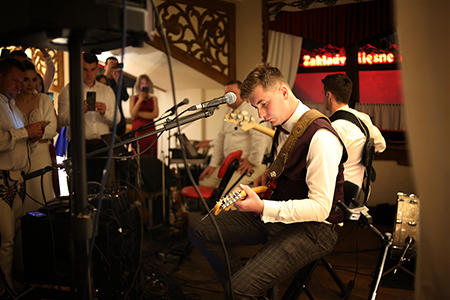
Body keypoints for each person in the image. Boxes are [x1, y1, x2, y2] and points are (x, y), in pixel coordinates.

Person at [188, 63, 347, 299]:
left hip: (313, 228)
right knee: (200, 229)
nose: (260, 115)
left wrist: (261, 206)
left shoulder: (321, 137)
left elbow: (320, 208)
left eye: (263, 104)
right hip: (278, 214)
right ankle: (249, 287)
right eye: (256, 107)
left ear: (284, 92)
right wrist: (269, 178)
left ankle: (243, 288)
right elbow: (287, 170)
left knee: (238, 289)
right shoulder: (283, 127)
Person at [0, 58, 46, 297]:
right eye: (15, 80)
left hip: (17, 179)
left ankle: (10, 282)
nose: (19, 85)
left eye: (22, 81)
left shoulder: (14, 108)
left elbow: (18, 145)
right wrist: (23, 132)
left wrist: (31, 140)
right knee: (5, 239)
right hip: (1, 180)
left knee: (16, 236)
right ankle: (2, 289)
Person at [198, 80, 271, 198]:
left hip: (249, 164)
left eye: (232, 93)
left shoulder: (252, 110)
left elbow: (260, 137)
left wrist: (252, 160)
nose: (228, 97)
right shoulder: (228, 113)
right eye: (226, 93)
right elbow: (220, 140)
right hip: (230, 164)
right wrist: (213, 165)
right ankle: (211, 213)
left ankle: (225, 215)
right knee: (204, 181)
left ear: (243, 95)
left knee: (227, 195)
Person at [58, 53, 118, 183]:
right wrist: (77, 112)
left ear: (97, 69)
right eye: (85, 69)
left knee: (100, 189)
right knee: (77, 188)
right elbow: (61, 120)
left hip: (101, 146)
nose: (89, 74)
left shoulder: (107, 91)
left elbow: (116, 119)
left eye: (92, 70)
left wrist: (105, 112)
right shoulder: (68, 91)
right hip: (78, 146)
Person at [322, 74, 386, 189]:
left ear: (328, 95)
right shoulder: (363, 118)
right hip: (357, 188)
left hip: (338, 191)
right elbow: (381, 146)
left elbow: (324, 166)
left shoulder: (333, 128)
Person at [14, 61, 58, 213]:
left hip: (41, 154)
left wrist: (31, 134)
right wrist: (31, 131)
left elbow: (52, 128)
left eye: (34, 80)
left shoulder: (44, 99)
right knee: (21, 198)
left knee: (42, 193)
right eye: (26, 79)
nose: (30, 84)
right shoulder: (11, 102)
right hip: (19, 155)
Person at [129, 74, 158, 156]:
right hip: (138, 130)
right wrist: (140, 100)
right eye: (142, 83)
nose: (144, 85)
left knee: (150, 154)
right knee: (137, 153)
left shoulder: (154, 98)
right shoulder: (133, 98)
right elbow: (133, 114)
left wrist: (139, 113)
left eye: (146, 83)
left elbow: (155, 114)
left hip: (150, 130)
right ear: (139, 85)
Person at [104, 56, 129, 137]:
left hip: (120, 121)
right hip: (106, 121)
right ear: (106, 67)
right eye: (111, 65)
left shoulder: (120, 80)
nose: (114, 67)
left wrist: (119, 83)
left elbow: (125, 97)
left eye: (116, 65)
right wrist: (106, 75)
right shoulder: (101, 81)